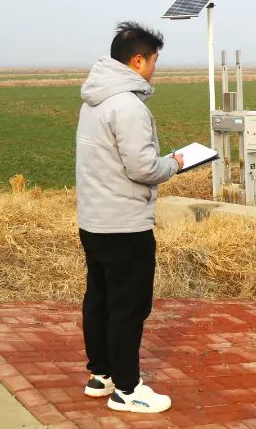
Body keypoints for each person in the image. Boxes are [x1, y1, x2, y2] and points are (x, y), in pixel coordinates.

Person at [74, 21, 182, 414]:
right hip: (125, 223)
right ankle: (128, 389)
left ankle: (101, 374)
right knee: (128, 307)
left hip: (94, 219)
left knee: (99, 300)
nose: (154, 69)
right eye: (153, 61)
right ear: (137, 61)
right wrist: (175, 163)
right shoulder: (129, 106)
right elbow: (143, 168)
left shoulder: (94, 101)